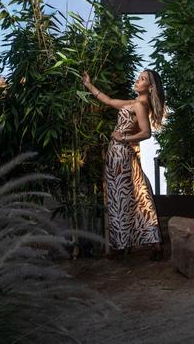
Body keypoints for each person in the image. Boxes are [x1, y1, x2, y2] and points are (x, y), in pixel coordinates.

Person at [82, 69, 165, 260]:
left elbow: (146, 133)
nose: (138, 80)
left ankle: (123, 245)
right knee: (134, 196)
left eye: (142, 79)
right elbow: (109, 100)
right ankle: (148, 243)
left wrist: (124, 138)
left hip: (121, 154)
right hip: (118, 154)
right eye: (139, 77)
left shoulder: (140, 105)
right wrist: (88, 84)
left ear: (150, 87)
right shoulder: (133, 102)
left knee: (121, 197)